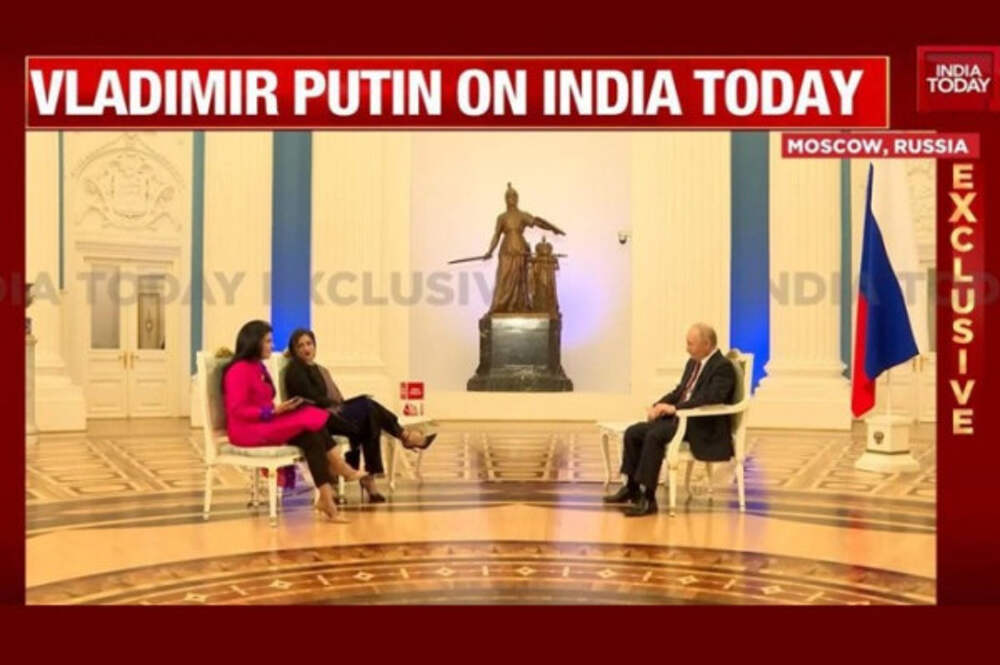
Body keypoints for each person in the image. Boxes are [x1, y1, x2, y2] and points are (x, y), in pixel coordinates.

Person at [221, 320, 365, 523]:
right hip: (247, 430)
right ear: (254, 342)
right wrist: (272, 411)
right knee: (310, 414)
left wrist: (279, 409)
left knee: (312, 433)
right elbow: (237, 409)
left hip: (265, 421)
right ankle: (340, 466)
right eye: (268, 341)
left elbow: (264, 399)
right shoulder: (238, 370)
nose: (272, 345)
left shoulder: (258, 366)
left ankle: (326, 500)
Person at [283, 328, 436, 503]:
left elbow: (332, 398)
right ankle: (402, 439)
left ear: (315, 346)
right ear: (294, 350)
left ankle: (372, 473)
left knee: (370, 414)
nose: (306, 348)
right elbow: (310, 399)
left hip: (331, 412)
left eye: (309, 344)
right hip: (319, 418)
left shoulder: (318, 369)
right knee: (368, 406)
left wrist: (339, 405)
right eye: (300, 345)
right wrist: (338, 406)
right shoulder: (295, 370)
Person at [604, 323, 736, 517]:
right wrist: (659, 405)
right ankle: (631, 488)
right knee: (634, 432)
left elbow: (711, 398)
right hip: (681, 419)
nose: (687, 348)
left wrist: (675, 409)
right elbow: (679, 391)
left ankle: (649, 498)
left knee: (654, 436)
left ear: (707, 344)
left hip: (701, 425)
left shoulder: (722, 367)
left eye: (690, 344)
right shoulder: (693, 362)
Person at [482, 182, 566, 313]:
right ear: (506, 199)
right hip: (506, 250)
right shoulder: (501, 217)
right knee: (503, 276)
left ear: (517, 198)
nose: (511, 199)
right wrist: (490, 251)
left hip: (520, 249)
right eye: (509, 197)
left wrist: (553, 228)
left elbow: (537, 222)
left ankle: (516, 305)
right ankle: (500, 306)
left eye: (513, 196)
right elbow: (496, 235)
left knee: (519, 277)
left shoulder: (522, 215)